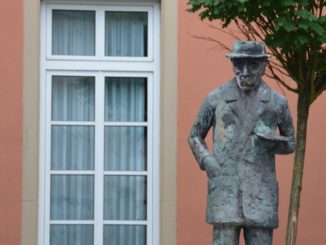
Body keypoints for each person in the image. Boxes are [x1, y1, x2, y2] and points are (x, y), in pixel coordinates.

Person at [188, 41, 295, 245]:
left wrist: (271, 143)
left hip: (260, 194)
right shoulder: (216, 98)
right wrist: (206, 160)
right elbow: (194, 135)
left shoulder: (276, 102)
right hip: (225, 190)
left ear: (264, 66)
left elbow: (290, 142)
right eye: (239, 64)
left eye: (252, 65)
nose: (244, 71)